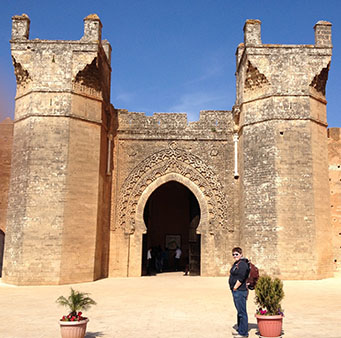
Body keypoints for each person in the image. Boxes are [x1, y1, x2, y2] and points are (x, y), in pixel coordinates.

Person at [228, 247, 249, 338]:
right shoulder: (237, 263)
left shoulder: (243, 264)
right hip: (237, 291)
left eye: (236, 254)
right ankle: (240, 329)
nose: (235, 256)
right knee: (239, 311)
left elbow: (241, 277)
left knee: (242, 312)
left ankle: (243, 333)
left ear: (241, 254)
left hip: (240, 291)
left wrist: (235, 287)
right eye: (233, 254)